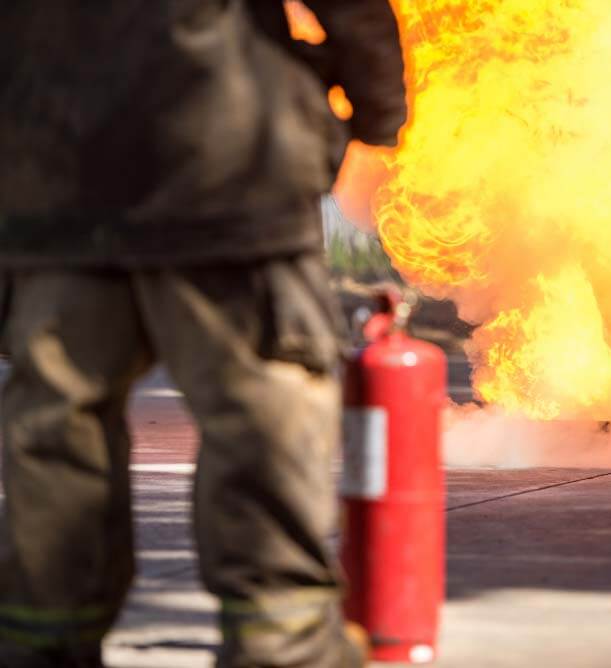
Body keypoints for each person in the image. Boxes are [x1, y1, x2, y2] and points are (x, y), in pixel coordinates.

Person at [0, 1, 406, 665]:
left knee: (55, 434)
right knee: (263, 421)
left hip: (56, 185)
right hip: (223, 172)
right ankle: (283, 646)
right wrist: (377, 106)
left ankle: (39, 645)